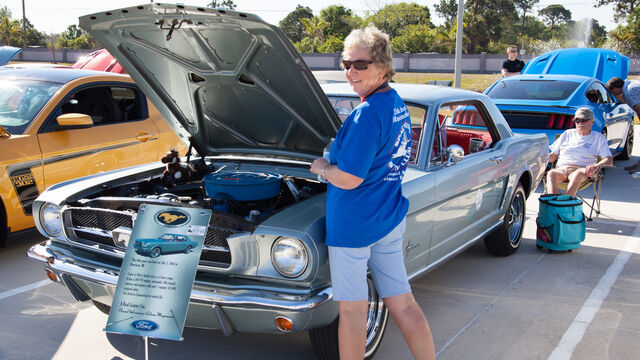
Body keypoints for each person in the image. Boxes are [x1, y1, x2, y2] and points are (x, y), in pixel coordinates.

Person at [309, 26, 436, 360]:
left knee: (352, 312)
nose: (351, 71)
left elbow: (349, 178)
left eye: (360, 64)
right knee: (403, 302)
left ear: (382, 67)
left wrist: (322, 167)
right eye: (346, 63)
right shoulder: (395, 103)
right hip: (387, 217)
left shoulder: (366, 114)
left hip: (354, 226)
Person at [546, 107, 613, 196]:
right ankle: (554, 203)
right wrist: (539, 159)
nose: (580, 123)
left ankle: (562, 203)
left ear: (592, 122)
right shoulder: (567, 134)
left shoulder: (598, 137)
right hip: (562, 169)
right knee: (551, 173)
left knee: (577, 175)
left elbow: (609, 160)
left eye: (584, 120)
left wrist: (596, 166)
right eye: (577, 120)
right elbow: (553, 156)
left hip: (583, 170)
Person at [605, 76, 640, 172]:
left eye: (612, 92)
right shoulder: (630, 86)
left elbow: (638, 108)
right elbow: (627, 100)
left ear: (616, 89)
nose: (612, 95)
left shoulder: (631, 90)